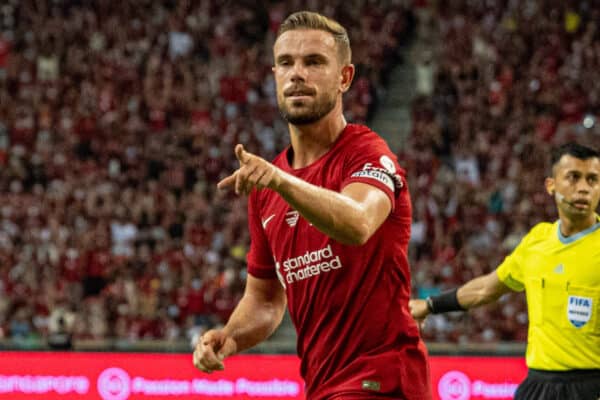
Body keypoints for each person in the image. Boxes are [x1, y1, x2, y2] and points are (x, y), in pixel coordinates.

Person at [193, 10, 432, 400]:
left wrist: (280, 181)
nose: (296, 73)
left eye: (314, 62)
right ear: (274, 76)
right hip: (323, 385)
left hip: (382, 377)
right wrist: (230, 337)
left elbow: (356, 223)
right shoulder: (267, 186)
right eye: (286, 63)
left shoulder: (367, 154)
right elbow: (265, 299)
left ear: (345, 78)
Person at [410, 142, 600, 400]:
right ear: (551, 185)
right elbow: (486, 289)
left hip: (590, 385)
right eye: (573, 177)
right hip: (538, 385)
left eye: (593, 180)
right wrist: (430, 304)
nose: (584, 189)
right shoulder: (537, 241)